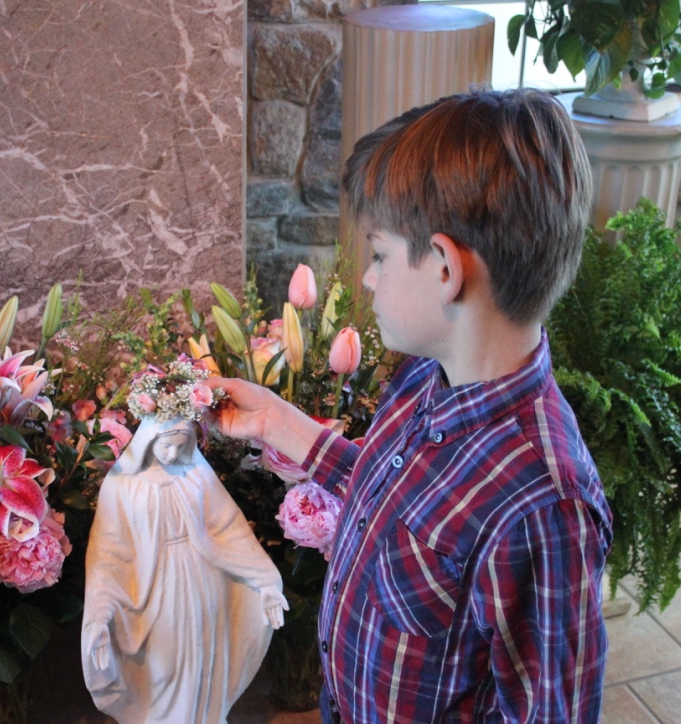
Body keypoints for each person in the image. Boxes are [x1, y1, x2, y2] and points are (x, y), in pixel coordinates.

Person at [208, 89, 612, 722]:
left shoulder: (542, 507)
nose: (368, 277)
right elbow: (396, 500)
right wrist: (278, 422)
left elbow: (550, 710)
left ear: (446, 269)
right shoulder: (427, 372)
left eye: (379, 254)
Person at [81, 416, 287, 724]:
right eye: (166, 446)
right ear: (148, 441)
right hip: (156, 590)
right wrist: (99, 616)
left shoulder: (196, 473)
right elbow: (107, 553)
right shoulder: (123, 483)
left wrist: (266, 582)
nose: (172, 454)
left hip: (201, 581)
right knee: (162, 666)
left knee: (202, 658)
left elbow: (229, 528)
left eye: (180, 447)